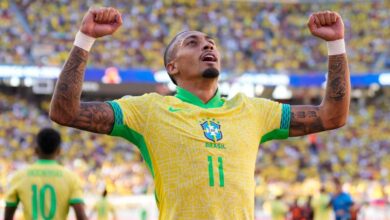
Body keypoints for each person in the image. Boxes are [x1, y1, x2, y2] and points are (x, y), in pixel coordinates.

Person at [49, 7, 350, 219]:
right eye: (192, 43)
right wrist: (84, 40)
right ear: (172, 67)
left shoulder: (251, 110)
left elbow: (332, 116)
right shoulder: (148, 110)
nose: (207, 45)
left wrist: (336, 45)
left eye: (210, 42)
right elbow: (65, 112)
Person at [4, 128, 87, 220]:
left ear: (36, 150)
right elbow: (81, 216)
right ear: (59, 151)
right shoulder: (71, 178)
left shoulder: (19, 176)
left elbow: (8, 216)